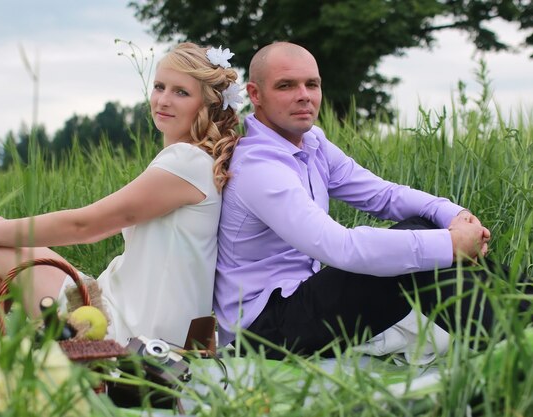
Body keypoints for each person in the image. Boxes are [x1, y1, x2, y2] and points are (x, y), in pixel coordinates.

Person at [213, 41, 519, 362]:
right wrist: (449, 245)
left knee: (422, 228)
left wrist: (454, 216)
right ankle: (509, 346)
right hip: (264, 328)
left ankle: (519, 310)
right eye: (286, 86)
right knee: (418, 256)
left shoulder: (313, 143)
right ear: (256, 94)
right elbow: (338, 246)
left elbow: (383, 195)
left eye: (312, 84)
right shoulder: (258, 167)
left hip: (302, 296)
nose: (304, 95)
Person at [0, 42, 241, 347]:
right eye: (159, 86)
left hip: (131, 333)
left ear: (207, 105)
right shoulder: (197, 161)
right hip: (129, 314)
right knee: (9, 250)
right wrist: (1, 231)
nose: (163, 100)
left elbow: (87, 226)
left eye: (181, 92)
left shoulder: (185, 161)